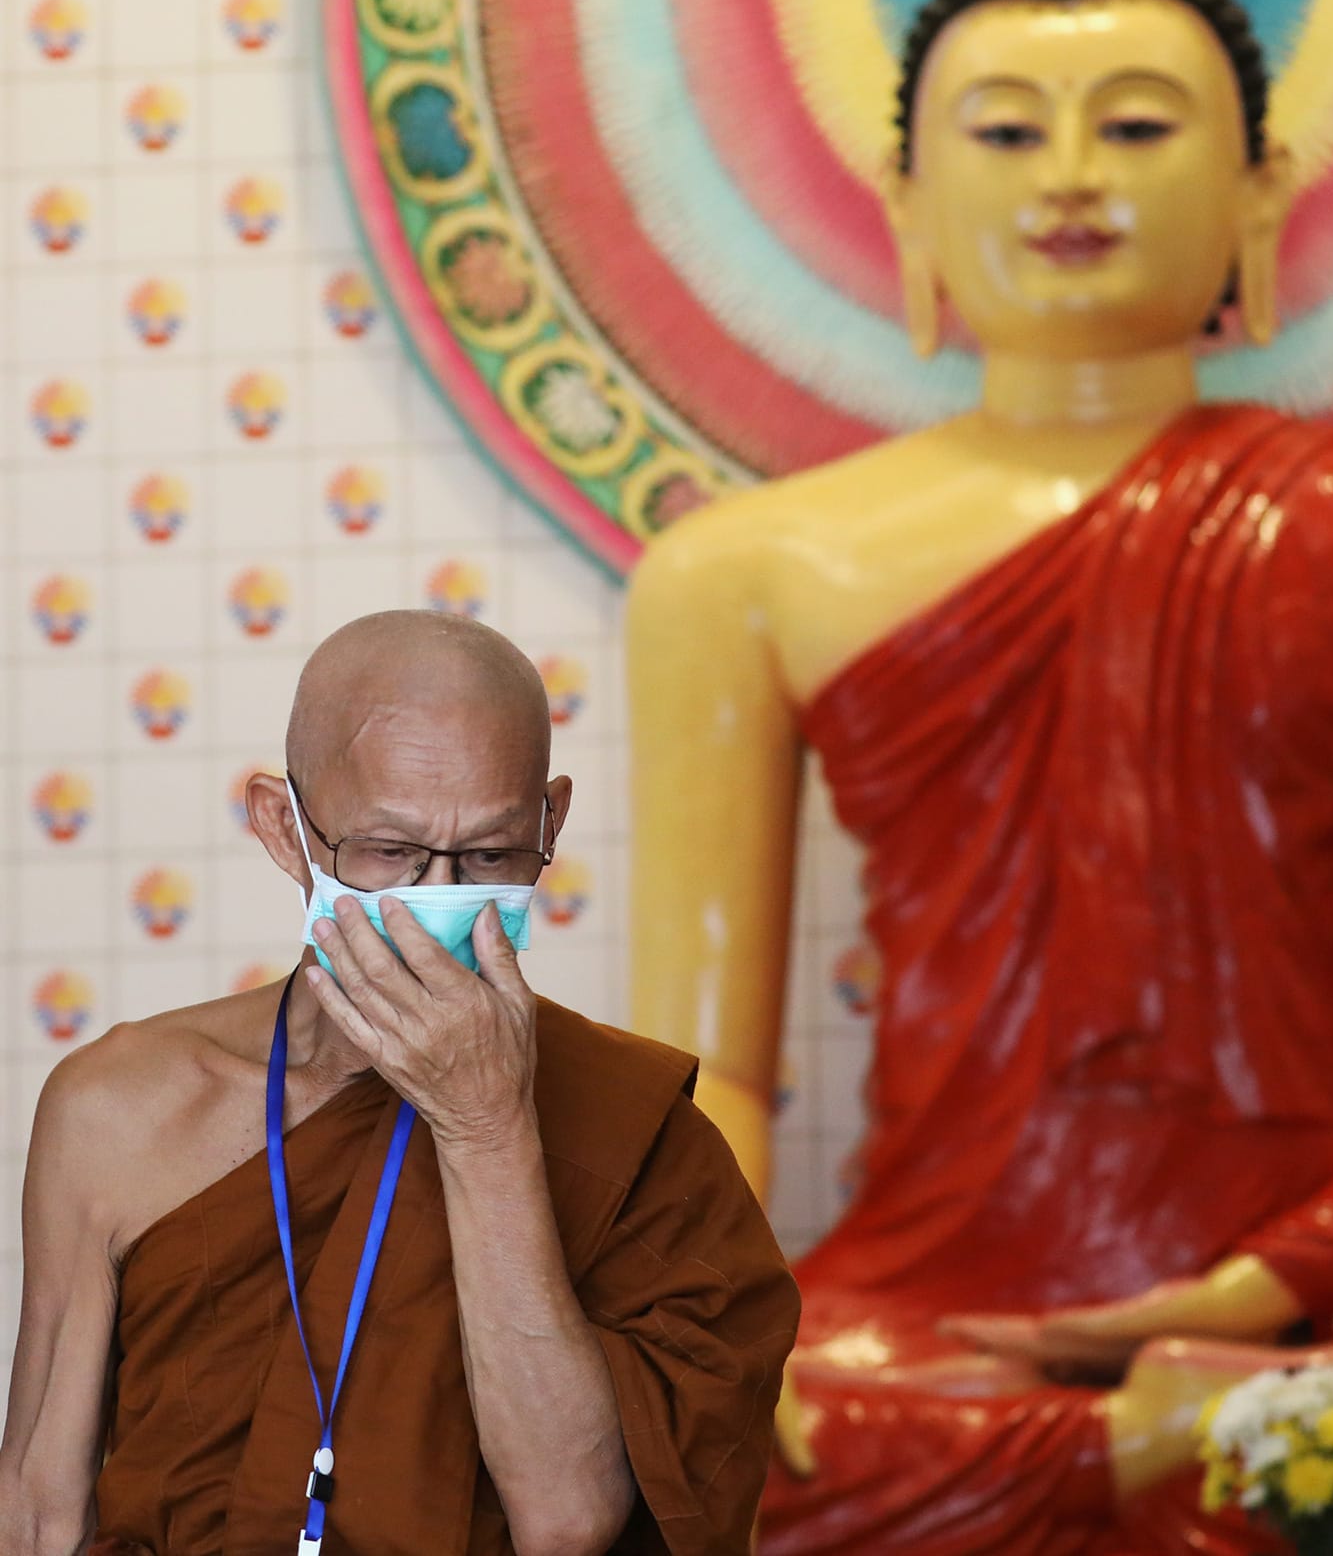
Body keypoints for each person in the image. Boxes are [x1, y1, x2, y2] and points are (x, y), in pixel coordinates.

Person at [626, 0, 1333, 1556]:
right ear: (907, 204)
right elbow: (702, 1071)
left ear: (1261, 192)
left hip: (1307, 1288)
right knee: (710, 1456)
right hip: (935, 1312)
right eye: (1008, 130)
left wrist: (1273, 1286)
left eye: (1141, 125)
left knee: (1312, 1434)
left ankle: (1222, 1434)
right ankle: (1162, 1456)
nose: (1070, 174)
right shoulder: (748, 573)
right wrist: (706, 1314)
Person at [0, 611, 799, 1556]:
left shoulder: (639, 1134)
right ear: (284, 829)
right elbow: (41, 1509)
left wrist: (487, 1129)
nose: (440, 896)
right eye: (388, 852)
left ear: (552, 822)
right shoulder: (117, 1109)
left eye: (492, 856)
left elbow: (571, 1521)